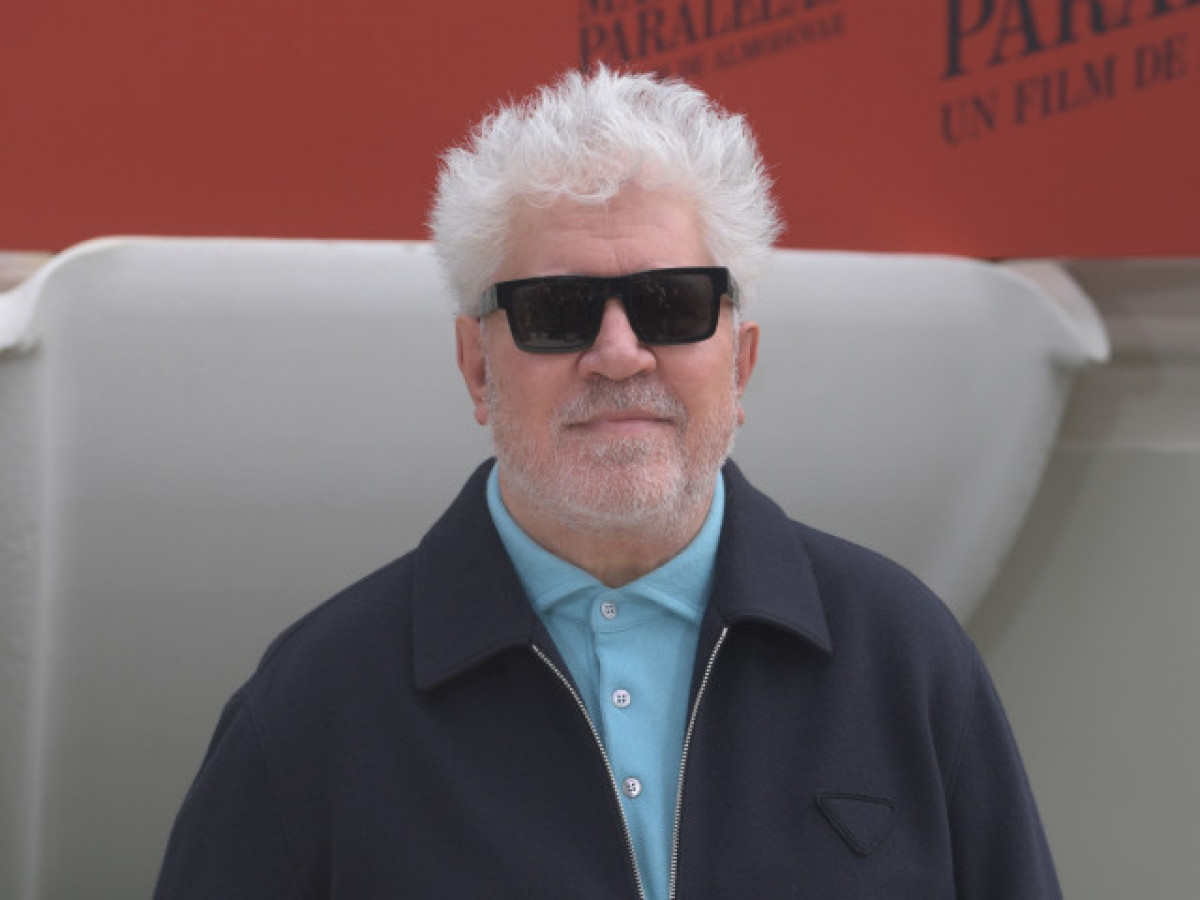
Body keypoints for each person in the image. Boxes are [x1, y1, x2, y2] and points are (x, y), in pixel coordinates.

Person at [154, 67, 1061, 899]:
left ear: (740, 361)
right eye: (557, 311)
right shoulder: (315, 707)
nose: (620, 353)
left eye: (672, 304)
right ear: (477, 368)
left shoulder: (905, 659)